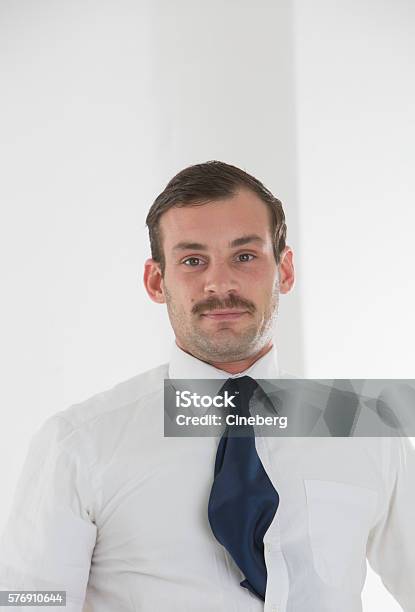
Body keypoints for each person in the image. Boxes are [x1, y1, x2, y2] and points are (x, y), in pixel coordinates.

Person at [0, 160, 414, 611]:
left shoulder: (364, 426)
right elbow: (28, 602)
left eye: (245, 256)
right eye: (193, 260)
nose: (220, 282)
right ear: (157, 280)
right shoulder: (79, 444)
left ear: (285, 270)